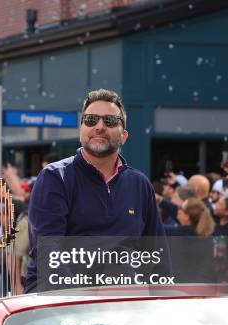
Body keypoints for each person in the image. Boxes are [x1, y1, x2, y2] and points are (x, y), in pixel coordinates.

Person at [25, 89, 167, 292]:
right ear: (81, 129)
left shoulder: (139, 184)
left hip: (121, 297)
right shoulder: (55, 177)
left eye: (110, 121)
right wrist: (83, 304)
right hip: (59, 299)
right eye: (91, 120)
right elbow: (49, 253)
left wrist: (161, 301)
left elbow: (157, 257)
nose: (99, 126)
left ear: (124, 135)